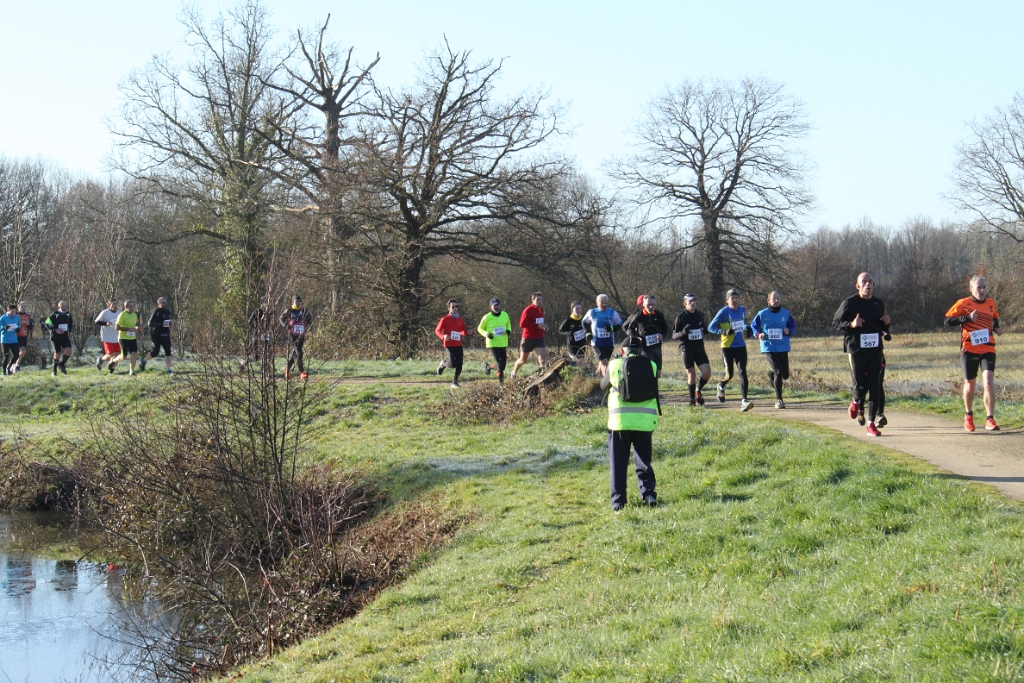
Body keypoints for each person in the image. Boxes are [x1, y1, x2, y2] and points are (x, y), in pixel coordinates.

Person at [601, 335, 659, 512]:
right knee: (643, 461)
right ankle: (648, 494)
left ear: (622, 351)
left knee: (618, 464)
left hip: (620, 422)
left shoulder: (614, 365)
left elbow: (603, 385)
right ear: (641, 351)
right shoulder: (652, 365)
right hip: (645, 421)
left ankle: (618, 502)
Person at [832, 272, 891, 437]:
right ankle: (855, 401)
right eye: (864, 282)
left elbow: (880, 326)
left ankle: (871, 425)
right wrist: (851, 324)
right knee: (860, 386)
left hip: (875, 350)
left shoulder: (878, 303)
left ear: (873, 285)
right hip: (856, 350)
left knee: (874, 387)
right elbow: (835, 322)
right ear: (857, 286)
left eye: (870, 282)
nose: (868, 284)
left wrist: (886, 323)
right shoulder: (849, 303)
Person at [945, 275, 1003, 432]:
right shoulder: (963, 303)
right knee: (970, 384)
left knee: (988, 383)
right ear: (971, 289)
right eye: (979, 287)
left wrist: (996, 327)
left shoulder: (991, 303)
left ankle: (989, 419)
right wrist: (967, 318)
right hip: (969, 349)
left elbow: (994, 317)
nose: (982, 290)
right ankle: (968, 415)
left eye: (984, 287)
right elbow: (948, 320)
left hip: (988, 348)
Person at [750, 291, 797, 409]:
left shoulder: (785, 313)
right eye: (773, 299)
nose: (776, 301)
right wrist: (758, 334)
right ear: (768, 301)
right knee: (779, 372)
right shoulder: (762, 314)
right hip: (768, 346)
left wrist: (789, 331)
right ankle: (779, 400)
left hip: (783, 346)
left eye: (778, 298)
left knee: (785, 375)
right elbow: (753, 326)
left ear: (780, 300)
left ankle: (772, 375)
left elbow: (792, 325)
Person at [708, 289, 753, 411]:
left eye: (736, 298)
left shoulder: (742, 310)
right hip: (727, 347)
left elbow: (742, 323)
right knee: (729, 375)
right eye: (732, 298)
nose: (734, 300)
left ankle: (744, 400)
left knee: (742, 371)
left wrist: (748, 328)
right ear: (727, 300)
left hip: (740, 346)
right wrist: (723, 331)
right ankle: (721, 385)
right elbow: (711, 327)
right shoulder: (723, 312)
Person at [672, 294, 712, 406]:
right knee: (691, 374)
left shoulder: (700, 315)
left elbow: (704, 327)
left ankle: (698, 390)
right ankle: (692, 400)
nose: (693, 303)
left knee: (707, 373)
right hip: (686, 348)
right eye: (690, 302)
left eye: (694, 301)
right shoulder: (681, 317)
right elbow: (674, 335)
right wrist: (683, 333)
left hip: (699, 348)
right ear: (685, 304)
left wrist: (705, 330)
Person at [623, 294, 669, 377]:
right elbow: (629, 329)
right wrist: (635, 338)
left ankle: (653, 384)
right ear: (643, 304)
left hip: (657, 347)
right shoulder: (638, 316)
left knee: (658, 374)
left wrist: (662, 335)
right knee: (649, 372)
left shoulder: (659, 315)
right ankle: (649, 385)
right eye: (648, 305)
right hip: (644, 348)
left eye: (653, 304)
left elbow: (665, 329)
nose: (651, 307)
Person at [582, 294, 623, 377]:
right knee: (605, 363)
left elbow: (620, 324)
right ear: (597, 303)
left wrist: (611, 328)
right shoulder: (592, 312)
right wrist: (587, 332)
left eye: (606, 303)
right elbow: (584, 322)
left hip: (609, 343)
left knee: (603, 362)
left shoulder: (612, 312)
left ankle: (595, 376)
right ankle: (607, 381)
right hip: (597, 343)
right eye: (602, 302)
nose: (604, 305)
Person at [511, 292, 548, 380]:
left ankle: (542, 379)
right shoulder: (527, 310)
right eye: (537, 300)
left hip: (539, 338)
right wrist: (537, 326)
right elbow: (522, 324)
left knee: (542, 360)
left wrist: (544, 326)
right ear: (532, 300)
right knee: (522, 360)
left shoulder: (541, 310)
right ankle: (514, 372)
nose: (539, 302)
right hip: (528, 338)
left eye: (541, 300)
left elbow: (540, 322)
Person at [477, 297, 512, 383]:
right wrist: (486, 334)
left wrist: (508, 330)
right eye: (495, 305)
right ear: (490, 307)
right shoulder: (487, 317)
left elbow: (508, 324)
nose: (497, 307)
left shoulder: (505, 315)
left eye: (498, 305)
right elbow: (480, 328)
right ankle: (501, 384)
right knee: (500, 364)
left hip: (503, 342)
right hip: (492, 343)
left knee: (503, 365)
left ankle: (489, 367)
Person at [435, 299, 467, 388]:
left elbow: (462, 331)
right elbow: (437, 330)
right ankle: (443, 364)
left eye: (457, 306)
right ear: (449, 308)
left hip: (458, 344)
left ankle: (454, 382)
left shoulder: (460, 319)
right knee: (453, 364)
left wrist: (467, 332)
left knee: (460, 365)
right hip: (449, 345)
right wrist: (443, 336)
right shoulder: (445, 319)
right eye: (453, 307)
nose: (455, 308)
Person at [280, 295, 313, 380]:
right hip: (293, 335)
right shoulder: (289, 310)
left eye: (299, 301)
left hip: (301, 335)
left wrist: (307, 327)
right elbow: (281, 319)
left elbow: (310, 320)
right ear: (293, 302)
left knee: (296, 353)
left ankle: (287, 368)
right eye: (296, 301)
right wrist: (286, 325)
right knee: (299, 353)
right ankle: (301, 372)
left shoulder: (304, 311)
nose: (298, 303)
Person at [139, 297, 174, 374]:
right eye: (163, 303)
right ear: (159, 304)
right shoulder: (156, 311)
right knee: (155, 352)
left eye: (166, 302)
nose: (165, 304)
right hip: (156, 334)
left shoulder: (167, 311)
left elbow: (167, 321)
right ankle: (143, 360)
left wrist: (170, 322)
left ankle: (168, 370)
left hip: (166, 334)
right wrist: (161, 324)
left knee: (168, 351)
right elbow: (150, 324)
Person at [241, 298, 275, 371]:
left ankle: (266, 367)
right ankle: (243, 363)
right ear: (262, 304)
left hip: (265, 335)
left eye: (268, 303)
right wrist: (256, 329)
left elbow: (271, 324)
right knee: (256, 357)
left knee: (268, 351)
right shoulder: (257, 311)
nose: (267, 304)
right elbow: (249, 322)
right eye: (266, 303)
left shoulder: (269, 312)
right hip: (257, 336)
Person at [112, 300, 143, 375]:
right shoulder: (122, 315)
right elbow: (116, 327)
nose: (132, 308)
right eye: (130, 306)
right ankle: (113, 360)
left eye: (133, 306)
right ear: (126, 307)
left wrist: (138, 327)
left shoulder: (134, 315)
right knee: (124, 357)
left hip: (132, 338)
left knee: (134, 354)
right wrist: (128, 329)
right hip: (123, 338)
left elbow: (137, 323)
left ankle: (131, 371)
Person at [43, 301, 74, 376]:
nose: (64, 308)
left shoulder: (68, 314)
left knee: (69, 351)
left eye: (65, 306)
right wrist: (55, 329)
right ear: (59, 307)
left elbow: (70, 323)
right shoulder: (55, 314)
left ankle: (61, 364)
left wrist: (70, 332)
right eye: (62, 306)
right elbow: (46, 324)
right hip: (55, 337)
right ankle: (54, 371)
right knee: (57, 353)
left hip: (65, 336)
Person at [94, 300, 122, 371]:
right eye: (113, 304)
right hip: (107, 337)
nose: (115, 305)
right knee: (111, 355)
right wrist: (105, 323)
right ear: (109, 304)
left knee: (117, 355)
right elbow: (97, 322)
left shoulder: (120, 313)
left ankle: (112, 369)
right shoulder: (105, 312)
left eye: (116, 303)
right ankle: (100, 359)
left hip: (117, 336)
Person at [12, 302, 33, 373]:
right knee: (23, 351)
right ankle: (16, 365)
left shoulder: (28, 316)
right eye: (22, 306)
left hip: (24, 336)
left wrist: (28, 325)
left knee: (21, 353)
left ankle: (13, 366)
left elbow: (31, 328)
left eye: (25, 306)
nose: (24, 308)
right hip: (16, 336)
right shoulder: (15, 315)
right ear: (18, 307)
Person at [1, 304, 20, 375]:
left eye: (14, 312)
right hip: (5, 340)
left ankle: (8, 367)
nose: (13, 313)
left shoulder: (17, 317)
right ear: (7, 311)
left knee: (16, 355)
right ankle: (4, 372)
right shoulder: (3, 318)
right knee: (6, 356)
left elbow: (18, 326)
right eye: (12, 312)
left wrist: (18, 329)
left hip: (13, 340)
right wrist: (4, 328)